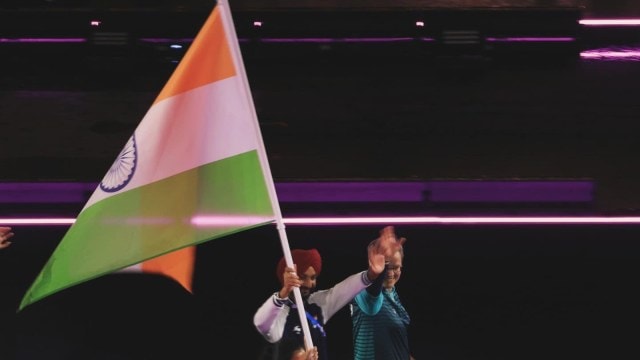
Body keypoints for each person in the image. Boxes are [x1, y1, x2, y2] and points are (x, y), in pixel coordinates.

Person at [254, 229, 401, 360]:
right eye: (302, 277)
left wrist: (372, 274)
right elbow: (261, 322)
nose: (309, 284)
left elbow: (344, 290)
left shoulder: (316, 304)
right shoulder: (278, 312)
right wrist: (283, 293)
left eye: (313, 278)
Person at [350, 226, 413, 360]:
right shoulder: (362, 290)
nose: (390, 273)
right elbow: (373, 298)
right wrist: (378, 272)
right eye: (386, 267)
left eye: (395, 267)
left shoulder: (392, 294)